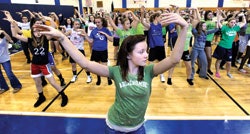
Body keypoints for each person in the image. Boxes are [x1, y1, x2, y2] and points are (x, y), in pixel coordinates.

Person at [35, 12, 188, 133]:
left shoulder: (149, 71)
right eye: (141, 52)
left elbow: (174, 59)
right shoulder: (116, 72)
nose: (146, 55)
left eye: (145, 51)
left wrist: (184, 28)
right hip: (114, 127)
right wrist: (62, 37)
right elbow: (85, 63)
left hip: (138, 128)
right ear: (128, 54)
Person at [4, 11, 68, 107]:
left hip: (44, 64)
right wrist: (11, 22)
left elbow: (54, 28)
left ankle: (63, 95)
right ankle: (41, 96)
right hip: (34, 64)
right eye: (35, 29)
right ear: (32, 28)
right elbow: (15, 34)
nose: (37, 32)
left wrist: (49, 19)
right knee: (38, 82)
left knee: (52, 82)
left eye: (39, 28)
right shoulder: (29, 38)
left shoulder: (46, 36)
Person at [213, 11, 246, 78]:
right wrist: (218, 15)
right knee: (219, 60)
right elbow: (219, 23)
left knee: (229, 62)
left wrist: (243, 16)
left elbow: (244, 22)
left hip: (229, 47)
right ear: (228, 22)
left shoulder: (235, 28)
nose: (233, 24)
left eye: (234, 22)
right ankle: (217, 72)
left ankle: (228, 72)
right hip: (222, 46)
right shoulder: (224, 27)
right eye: (231, 22)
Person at [84, 16, 113, 85]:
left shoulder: (106, 30)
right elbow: (91, 41)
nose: (97, 23)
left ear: (102, 22)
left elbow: (111, 39)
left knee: (104, 66)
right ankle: (98, 79)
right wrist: (85, 35)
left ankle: (108, 78)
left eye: (98, 22)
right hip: (95, 51)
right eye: (96, 22)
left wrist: (105, 34)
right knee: (96, 66)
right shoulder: (93, 31)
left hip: (103, 51)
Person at [0, 28, 22, 94]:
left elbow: (10, 40)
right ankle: (4, 87)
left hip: (5, 59)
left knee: (9, 74)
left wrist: (3, 32)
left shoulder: (4, 38)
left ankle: (17, 86)